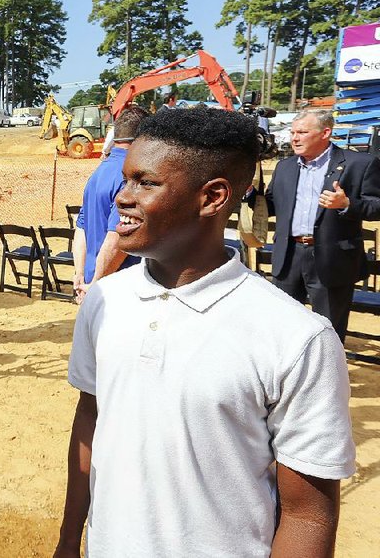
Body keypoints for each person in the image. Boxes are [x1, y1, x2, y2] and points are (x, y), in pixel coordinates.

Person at [55, 107, 355, 557]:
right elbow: (90, 419)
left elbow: (307, 514)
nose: (122, 197)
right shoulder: (104, 301)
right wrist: (67, 542)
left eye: (146, 182)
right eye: (126, 179)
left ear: (213, 197)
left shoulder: (296, 337)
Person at [265, 108, 380, 343]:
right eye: (293, 132)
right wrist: (249, 194)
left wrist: (347, 204)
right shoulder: (284, 167)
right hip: (288, 258)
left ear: (325, 132)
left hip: (332, 260)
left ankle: (326, 378)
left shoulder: (360, 164)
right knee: (282, 327)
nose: (294, 138)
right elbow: (271, 207)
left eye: (302, 132)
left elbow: (376, 206)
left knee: (328, 332)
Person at [72, 106, 148, 303]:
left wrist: (80, 275)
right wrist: (96, 283)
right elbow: (117, 239)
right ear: (142, 139)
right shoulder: (130, 178)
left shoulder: (98, 173)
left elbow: (81, 227)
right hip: (116, 286)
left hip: (92, 283)